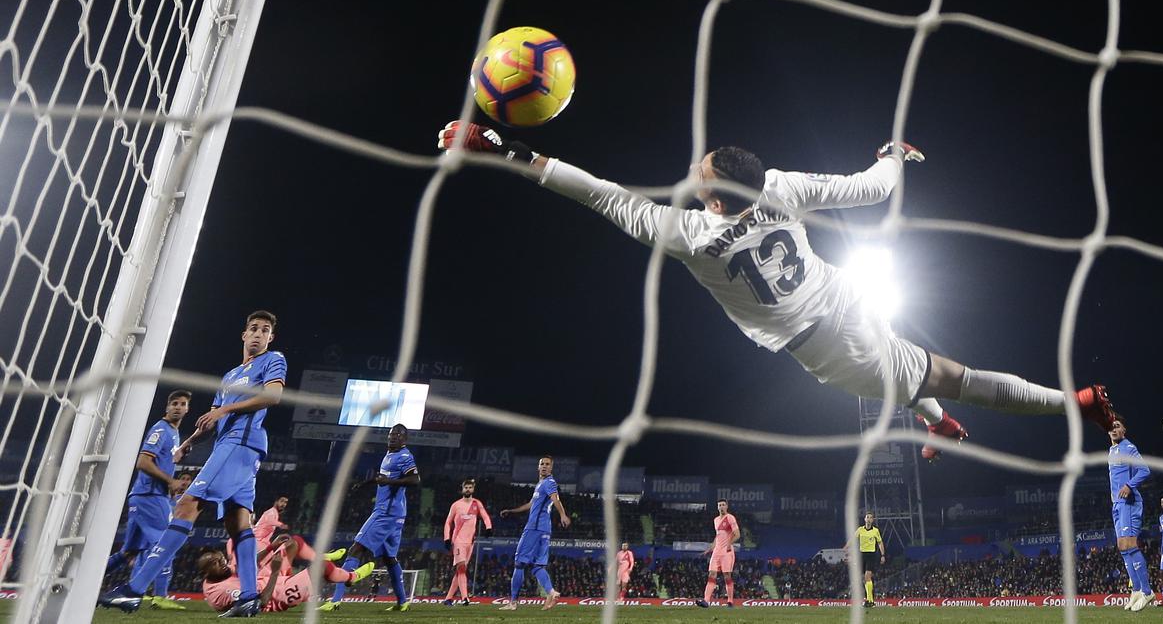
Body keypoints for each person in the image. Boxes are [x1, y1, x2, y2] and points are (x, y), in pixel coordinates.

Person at [437, 122, 1121, 461]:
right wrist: (892, 157)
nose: (690, 169)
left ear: (710, 190)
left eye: (697, 168)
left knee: (955, 377)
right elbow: (870, 190)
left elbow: (599, 194)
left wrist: (504, 150)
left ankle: (1074, 404)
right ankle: (932, 417)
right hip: (847, 297)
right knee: (914, 372)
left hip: (826, 345)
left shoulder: (686, 235)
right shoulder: (781, 187)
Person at [99, 310, 286, 617]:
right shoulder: (228, 377)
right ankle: (250, 597)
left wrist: (225, 411)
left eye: (264, 330)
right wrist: (188, 443)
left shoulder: (273, 359)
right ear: (244, 334)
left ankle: (134, 591)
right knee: (238, 522)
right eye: (253, 328)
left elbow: (273, 396)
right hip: (232, 447)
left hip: (239, 444)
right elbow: (210, 422)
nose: (258, 334)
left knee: (186, 505)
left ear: (270, 337)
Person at [101, 390, 190, 610]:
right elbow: (143, 462)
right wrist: (170, 481)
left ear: (187, 409)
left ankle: (88, 582)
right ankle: (160, 597)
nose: (178, 407)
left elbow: (162, 458)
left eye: (183, 404)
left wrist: (177, 456)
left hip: (143, 497)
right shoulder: (161, 429)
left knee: (129, 551)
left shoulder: (173, 434)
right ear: (167, 408)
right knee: (166, 543)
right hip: (150, 496)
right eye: (174, 403)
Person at [318, 424, 420, 613]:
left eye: (398, 435)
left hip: (385, 513)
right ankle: (402, 602)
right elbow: (384, 477)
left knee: (355, 549)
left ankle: (335, 600)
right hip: (397, 515)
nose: (393, 437)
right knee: (390, 559)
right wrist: (366, 482)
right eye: (391, 434)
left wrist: (388, 482)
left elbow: (415, 480)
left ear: (405, 439)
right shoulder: (389, 455)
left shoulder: (405, 456)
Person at [199, 534, 374, 613]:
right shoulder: (219, 592)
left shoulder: (223, 572)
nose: (222, 563)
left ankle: (321, 557)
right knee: (321, 567)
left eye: (221, 559)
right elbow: (258, 604)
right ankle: (351, 578)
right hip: (276, 598)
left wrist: (271, 547)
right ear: (205, 572)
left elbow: (249, 564)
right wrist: (275, 572)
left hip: (271, 580)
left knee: (293, 542)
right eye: (215, 563)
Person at [499, 456, 571, 611]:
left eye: (547, 464)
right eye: (542, 464)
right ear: (538, 467)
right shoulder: (540, 485)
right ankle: (552, 592)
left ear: (551, 468)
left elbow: (556, 498)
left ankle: (513, 602)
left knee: (519, 562)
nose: (544, 466)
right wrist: (512, 511)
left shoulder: (549, 483)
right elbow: (531, 504)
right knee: (537, 566)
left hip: (534, 528)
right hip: (544, 529)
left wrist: (563, 515)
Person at [1109, 418, 1153, 612]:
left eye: (1117, 426)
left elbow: (1145, 470)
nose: (1114, 428)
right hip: (1117, 504)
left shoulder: (1129, 447)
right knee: (1122, 547)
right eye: (1111, 426)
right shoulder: (1111, 451)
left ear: (1124, 430)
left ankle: (1147, 591)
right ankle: (1135, 590)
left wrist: (1129, 485)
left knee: (1130, 544)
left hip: (1129, 502)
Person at [443, 478, 493, 606]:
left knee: (460, 571)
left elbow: (485, 516)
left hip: (470, 542)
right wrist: (447, 538)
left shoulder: (477, 503)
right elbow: (448, 522)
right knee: (462, 568)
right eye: (466, 487)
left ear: (473, 489)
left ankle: (448, 598)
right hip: (458, 540)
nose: (468, 489)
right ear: (462, 489)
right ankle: (465, 597)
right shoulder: (456, 505)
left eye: (470, 488)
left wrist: (489, 528)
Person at [696, 499, 740, 608]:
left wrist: (729, 544)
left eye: (723, 505)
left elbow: (737, 534)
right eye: (719, 505)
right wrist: (710, 548)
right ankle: (706, 601)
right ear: (717, 507)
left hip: (727, 552)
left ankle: (730, 601)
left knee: (727, 576)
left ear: (727, 506)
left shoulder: (730, 518)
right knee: (711, 574)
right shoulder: (716, 520)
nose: (721, 507)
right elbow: (718, 536)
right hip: (717, 551)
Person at [845, 511, 885, 607]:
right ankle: (869, 600)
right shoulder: (860, 530)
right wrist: (846, 547)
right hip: (862, 555)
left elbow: (880, 542)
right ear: (865, 519)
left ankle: (869, 601)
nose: (869, 519)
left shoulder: (875, 531)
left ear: (872, 520)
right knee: (865, 578)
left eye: (871, 517)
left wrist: (883, 555)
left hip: (871, 555)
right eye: (867, 517)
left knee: (867, 576)